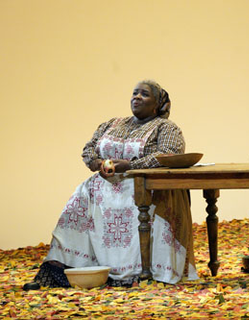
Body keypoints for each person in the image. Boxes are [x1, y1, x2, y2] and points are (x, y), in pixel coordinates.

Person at [24, 80, 198, 290]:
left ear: (157, 104)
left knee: (139, 204)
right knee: (77, 201)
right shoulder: (112, 124)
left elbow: (167, 156)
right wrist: (99, 164)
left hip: (144, 187)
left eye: (144, 94)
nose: (137, 97)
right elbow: (88, 150)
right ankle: (62, 268)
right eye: (135, 93)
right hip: (103, 187)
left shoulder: (166, 127)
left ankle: (139, 273)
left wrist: (130, 166)